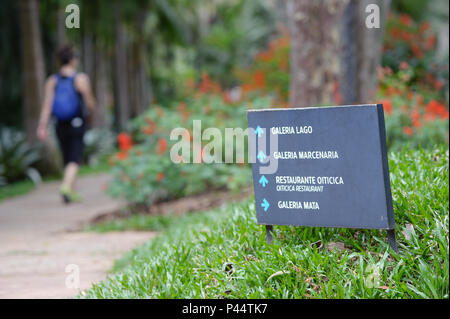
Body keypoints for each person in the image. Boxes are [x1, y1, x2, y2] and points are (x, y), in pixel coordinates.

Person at [37, 44, 96, 204]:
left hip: (59, 124)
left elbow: (47, 105)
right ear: (72, 60)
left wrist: (42, 125)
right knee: (74, 158)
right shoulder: (80, 78)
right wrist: (91, 114)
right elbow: (89, 103)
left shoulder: (52, 80)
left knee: (66, 157)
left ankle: (71, 192)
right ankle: (65, 186)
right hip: (77, 122)